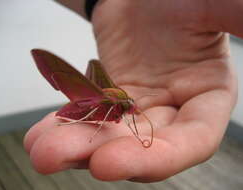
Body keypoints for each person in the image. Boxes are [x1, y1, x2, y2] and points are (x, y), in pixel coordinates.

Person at [23, 0, 242, 182]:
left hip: (94, 105)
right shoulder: (112, 104)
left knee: (108, 159)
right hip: (81, 111)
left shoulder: (122, 105)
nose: (133, 110)